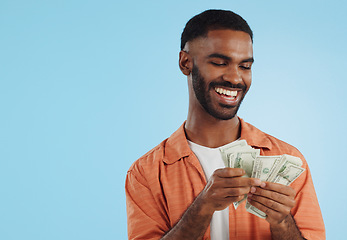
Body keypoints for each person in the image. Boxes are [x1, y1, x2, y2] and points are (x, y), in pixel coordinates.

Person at [125, 9, 325, 240]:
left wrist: (281, 222)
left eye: (245, 66)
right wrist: (202, 207)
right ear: (185, 62)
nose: (235, 78)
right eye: (220, 63)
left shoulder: (287, 157)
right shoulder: (146, 173)